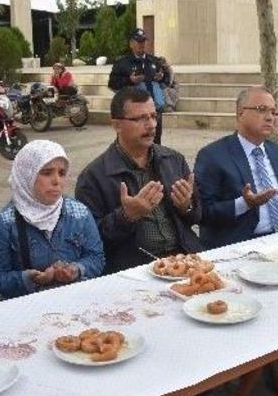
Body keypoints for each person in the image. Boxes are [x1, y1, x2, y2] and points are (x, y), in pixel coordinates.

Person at [75, 87, 202, 274]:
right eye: (140, 118)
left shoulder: (173, 160)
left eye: (153, 116)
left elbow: (197, 216)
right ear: (117, 125)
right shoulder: (94, 176)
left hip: (184, 259)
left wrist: (186, 206)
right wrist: (126, 216)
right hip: (135, 269)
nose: (151, 125)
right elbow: (89, 241)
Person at [0, 140, 105, 300]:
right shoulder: (6, 223)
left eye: (62, 173)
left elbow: (97, 258)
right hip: (26, 307)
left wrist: (76, 270)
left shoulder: (79, 213)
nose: (57, 181)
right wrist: (29, 278)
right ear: (27, 174)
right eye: (47, 173)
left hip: (75, 299)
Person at [195, 86, 278, 249]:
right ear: (241, 113)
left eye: (274, 112)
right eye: (262, 109)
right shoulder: (213, 156)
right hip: (242, 245)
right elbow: (203, 212)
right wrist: (245, 203)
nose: (270, 118)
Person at [108, 28, 170, 144]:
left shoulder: (154, 61)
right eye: (138, 41)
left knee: (154, 144)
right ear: (131, 44)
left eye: (143, 41)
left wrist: (162, 78)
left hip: (153, 112)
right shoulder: (122, 63)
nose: (142, 44)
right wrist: (129, 80)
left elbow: (167, 81)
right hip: (134, 115)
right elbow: (112, 84)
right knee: (133, 144)